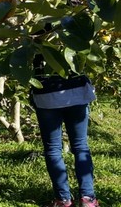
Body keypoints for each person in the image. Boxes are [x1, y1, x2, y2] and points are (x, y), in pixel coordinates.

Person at [31, 52, 100, 207]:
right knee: (81, 146)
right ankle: (88, 199)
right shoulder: (76, 30)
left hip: (46, 94)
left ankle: (63, 200)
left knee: (53, 149)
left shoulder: (34, 31)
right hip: (76, 92)